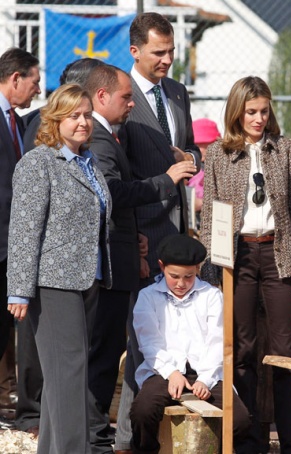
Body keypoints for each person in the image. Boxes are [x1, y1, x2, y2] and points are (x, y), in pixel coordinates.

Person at [85, 63, 197, 453]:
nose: (133, 104)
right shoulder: (100, 139)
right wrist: (166, 181)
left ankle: (98, 435)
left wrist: (135, 239)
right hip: (109, 266)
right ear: (102, 96)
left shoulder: (109, 135)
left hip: (126, 252)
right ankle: (94, 437)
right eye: (126, 97)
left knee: (109, 349)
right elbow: (114, 194)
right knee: (102, 354)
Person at [200, 76, 291, 453]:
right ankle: (248, 438)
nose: (259, 118)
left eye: (264, 111)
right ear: (237, 111)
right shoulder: (218, 152)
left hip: (277, 253)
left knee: (284, 350)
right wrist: (212, 272)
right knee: (242, 348)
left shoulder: (284, 149)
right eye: (251, 111)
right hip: (238, 256)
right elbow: (211, 216)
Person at [7, 83, 112, 453]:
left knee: (63, 377)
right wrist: (19, 289)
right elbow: (23, 229)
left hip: (89, 280)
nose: (83, 122)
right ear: (55, 119)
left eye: (86, 115)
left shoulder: (89, 161)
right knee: (69, 374)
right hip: (53, 284)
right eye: (74, 116)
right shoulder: (38, 163)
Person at [116, 13, 202, 452]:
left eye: (171, 51)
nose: (168, 59)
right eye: (158, 53)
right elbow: (121, 177)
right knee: (143, 342)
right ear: (135, 51)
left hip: (176, 233)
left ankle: (158, 437)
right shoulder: (123, 101)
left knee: (176, 341)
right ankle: (130, 439)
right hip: (144, 237)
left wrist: (189, 157)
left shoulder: (177, 92)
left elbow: (190, 153)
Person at [130, 234, 251, 453]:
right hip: (163, 372)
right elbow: (149, 343)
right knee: (143, 411)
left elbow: (218, 342)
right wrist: (172, 373)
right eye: (174, 276)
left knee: (240, 420)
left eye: (188, 276)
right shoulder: (147, 296)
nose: (181, 283)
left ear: (197, 269)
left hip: (208, 373)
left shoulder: (212, 296)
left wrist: (205, 380)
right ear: (161, 267)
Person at [0, 47, 40, 423]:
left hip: (13, 244)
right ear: (16, 79)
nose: (37, 91)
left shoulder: (20, 122)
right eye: (34, 82)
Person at [187, 118, 221, 215]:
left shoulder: (222, 165)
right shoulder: (189, 164)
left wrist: (202, 203)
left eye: (205, 145)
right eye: (197, 145)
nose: (200, 150)